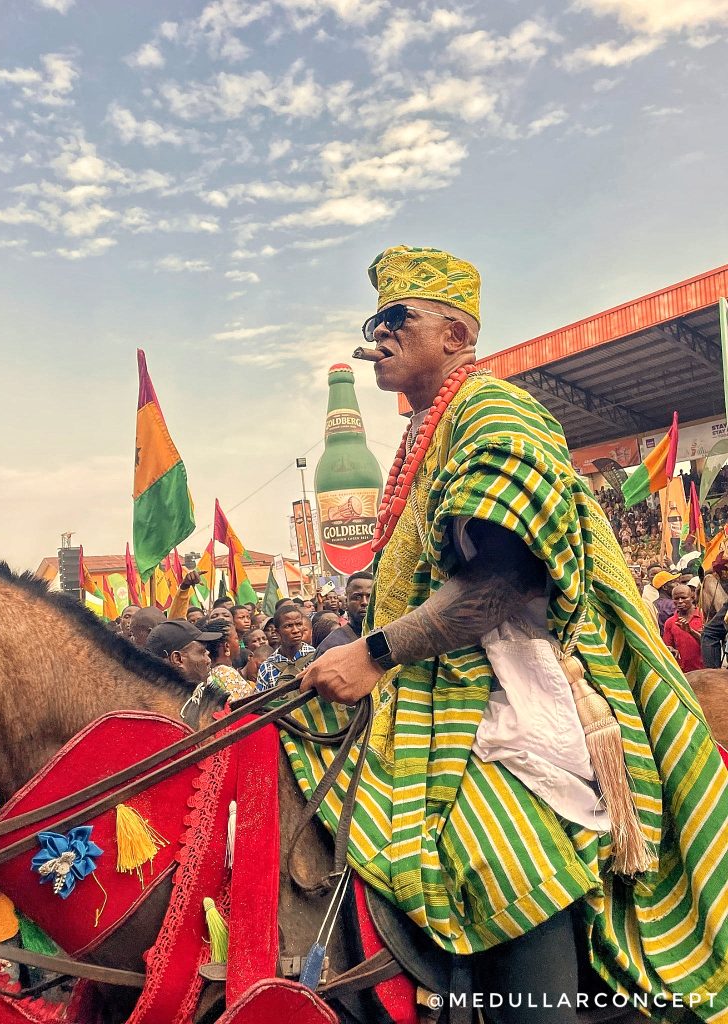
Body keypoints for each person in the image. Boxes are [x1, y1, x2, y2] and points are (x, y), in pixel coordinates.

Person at [285, 245, 728, 1021]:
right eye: (374, 323)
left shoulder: (495, 411)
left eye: (398, 319)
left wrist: (374, 652)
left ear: (456, 335)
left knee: (503, 848)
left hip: (515, 702)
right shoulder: (430, 431)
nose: (378, 336)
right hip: (434, 701)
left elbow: (505, 579)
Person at [255, 604, 315, 691]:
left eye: (299, 624)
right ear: (277, 632)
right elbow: (261, 701)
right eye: (288, 626)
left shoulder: (315, 658)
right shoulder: (268, 666)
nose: (296, 630)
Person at [314, 572, 373, 658]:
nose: (365, 602)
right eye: (357, 597)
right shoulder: (331, 646)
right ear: (346, 602)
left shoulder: (389, 637)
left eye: (370, 597)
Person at [663, 584, 704, 672]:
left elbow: (708, 645)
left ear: (692, 598)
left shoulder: (703, 616)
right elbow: (667, 646)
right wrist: (669, 649)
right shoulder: (670, 622)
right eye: (676, 599)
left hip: (704, 672)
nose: (680, 601)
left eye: (684, 597)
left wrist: (691, 632)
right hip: (682, 673)